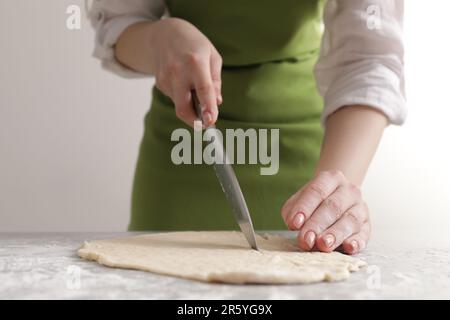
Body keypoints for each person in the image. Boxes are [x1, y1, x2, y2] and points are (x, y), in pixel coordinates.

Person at [87, 0, 406, 254]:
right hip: (182, 157)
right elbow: (116, 23)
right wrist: (159, 40)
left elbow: (369, 58)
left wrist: (335, 190)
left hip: (309, 169)